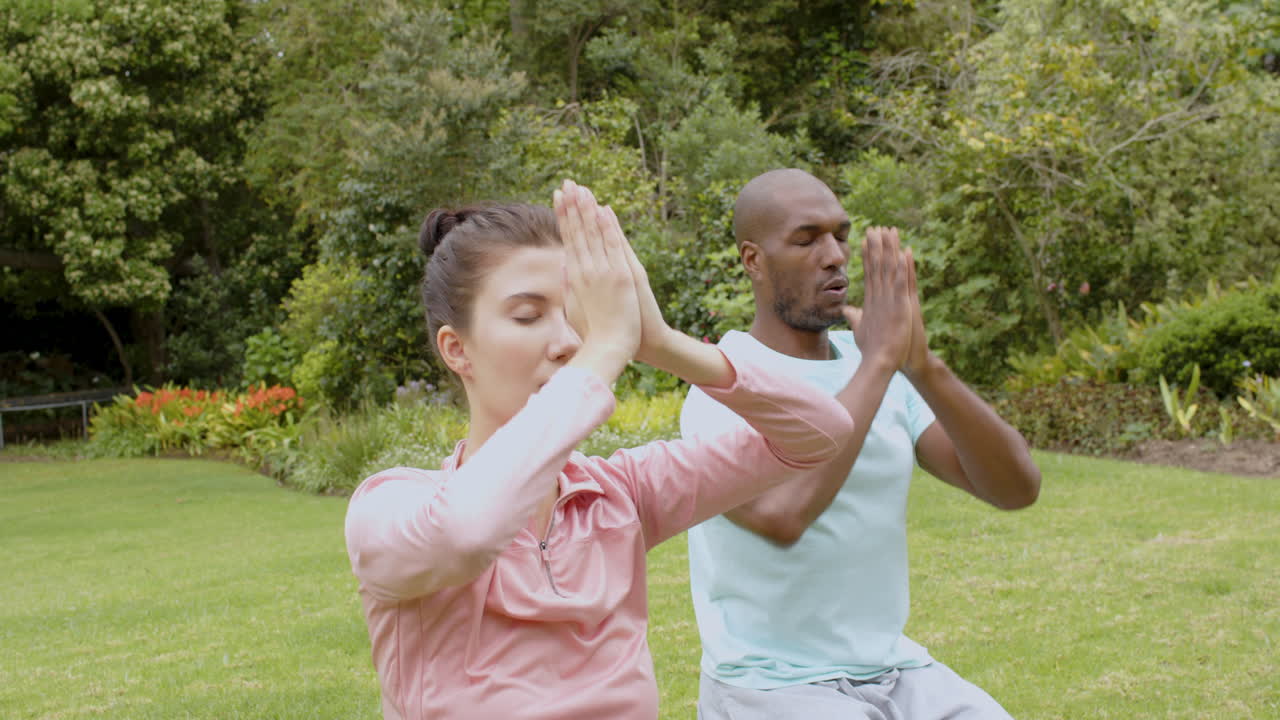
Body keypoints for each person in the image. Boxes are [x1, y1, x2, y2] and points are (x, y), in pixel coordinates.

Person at [342, 180, 867, 719]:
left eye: (576, 316)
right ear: (457, 350)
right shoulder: (390, 508)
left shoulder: (622, 495)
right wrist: (606, 350)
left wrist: (659, 341)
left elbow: (821, 430)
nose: (570, 341)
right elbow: (469, 530)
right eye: (528, 315)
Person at [681, 168, 1042, 719]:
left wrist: (922, 364)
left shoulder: (880, 365)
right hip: (770, 684)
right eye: (806, 239)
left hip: (896, 671)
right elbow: (783, 516)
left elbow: (1015, 488)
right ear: (752, 260)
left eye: (841, 236)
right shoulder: (724, 382)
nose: (835, 256)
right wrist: (880, 361)